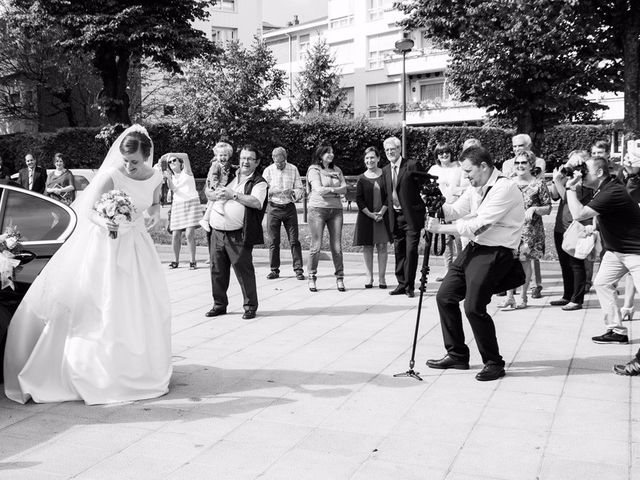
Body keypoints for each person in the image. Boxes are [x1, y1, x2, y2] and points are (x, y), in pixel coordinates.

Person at [4, 125, 171, 404]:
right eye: (126, 161)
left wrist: (155, 211)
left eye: (135, 162)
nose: (129, 167)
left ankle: (137, 368)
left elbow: (154, 204)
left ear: (147, 156)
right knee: (105, 306)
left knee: (141, 306)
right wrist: (110, 220)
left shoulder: (156, 177)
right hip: (107, 247)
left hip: (139, 249)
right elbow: (90, 213)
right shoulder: (111, 176)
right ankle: (96, 371)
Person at [425, 146, 525, 381]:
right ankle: (457, 354)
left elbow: (478, 225)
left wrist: (440, 228)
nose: (466, 176)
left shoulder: (505, 188)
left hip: (496, 252)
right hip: (475, 248)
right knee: (445, 296)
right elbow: (456, 211)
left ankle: (494, 362)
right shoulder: (475, 187)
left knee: (473, 307)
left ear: (484, 166)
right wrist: (436, 203)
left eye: (469, 171)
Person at [565, 155, 640, 349]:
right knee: (602, 283)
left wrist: (570, 188)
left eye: (585, 171)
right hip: (616, 251)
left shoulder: (612, 190)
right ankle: (616, 331)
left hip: (636, 252)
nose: (581, 174)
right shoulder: (603, 188)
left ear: (599, 173)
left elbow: (579, 214)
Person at [205, 144, 267, 320]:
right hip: (216, 232)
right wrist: (211, 194)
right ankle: (219, 305)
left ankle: (249, 306)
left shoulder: (259, 182)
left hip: (238, 234)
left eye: (250, 159)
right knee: (217, 270)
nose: (245, 162)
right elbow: (209, 189)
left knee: (243, 270)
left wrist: (233, 195)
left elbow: (256, 202)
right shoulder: (227, 172)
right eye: (243, 158)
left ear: (257, 162)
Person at [500, 150, 551, 310]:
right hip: (509, 228)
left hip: (530, 229)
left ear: (531, 165)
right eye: (517, 163)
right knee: (508, 261)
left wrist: (535, 209)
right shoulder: (508, 182)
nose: (520, 166)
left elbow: (548, 207)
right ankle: (509, 297)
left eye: (524, 163)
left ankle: (523, 297)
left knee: (524, 261)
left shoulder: (538, 183)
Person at [548, 150, 593, 311]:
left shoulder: (585, 183)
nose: (571, 167)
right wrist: (558, 178)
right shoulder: (567, 177)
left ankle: (577, 299)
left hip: (576, 227)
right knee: (564, 264)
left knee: (576, 263)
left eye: (575, 164)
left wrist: (561, 182)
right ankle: (567, 295)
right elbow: (554, 196)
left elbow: (568, 198)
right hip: (561, 226)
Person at [382, 136, 426, 298]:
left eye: (392, 149)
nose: (389, 152)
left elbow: (424, 187)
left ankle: (410, 286)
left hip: (412, 217)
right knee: (399, 251)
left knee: (411, 251)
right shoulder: (386, 170)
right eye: (386, 150)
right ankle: (401, 283)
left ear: (399, 149)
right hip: (395, 217)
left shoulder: (412, 165)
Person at [306, 142, 347, 292]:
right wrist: (335, 191)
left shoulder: (337, 170)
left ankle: (340, 278)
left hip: (336, 211)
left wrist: (330, 190)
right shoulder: (314, 169)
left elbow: (345, 189)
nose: (331, 154)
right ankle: (311, 276)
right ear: (320, 155)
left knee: (337, 247)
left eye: (332, 152)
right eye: (327, 152)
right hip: (317, 209)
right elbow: (318, 190)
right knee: (316, 246)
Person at [263, 146, 305, 280]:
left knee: (294, 240)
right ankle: (274, 270)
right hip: (273, 208)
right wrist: (272, 192)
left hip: (289, 208)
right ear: (273, 159)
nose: (280, 165)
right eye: (277, 162)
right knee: (273, 241)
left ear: (285, 159)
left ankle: (298, 269)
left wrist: (293, 192)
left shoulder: (293, 169)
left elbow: (299, 188)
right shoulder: (268, 171)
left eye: (282, 162)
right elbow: (262, 189)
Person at [353, 146, 392, 288]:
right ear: (364, 160)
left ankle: (382, 278)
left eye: (372, 157)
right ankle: (369, 277)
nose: (370, 160)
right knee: (368, 247)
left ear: (378, 158)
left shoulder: (385, 175)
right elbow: (359, 199)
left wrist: (382, 212)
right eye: (367, 158)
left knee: (382, 246)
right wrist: (370, 214)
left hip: (383, 216)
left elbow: (389, 195)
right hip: (366, 217)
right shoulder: (361, 178)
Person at [427, 142, 466, 281]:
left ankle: (463, 270)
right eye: (440, 153)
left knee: (460, 240)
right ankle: (448, 271)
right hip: (441, 209)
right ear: (437, 155)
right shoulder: (433, 169)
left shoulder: (458, 168)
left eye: (446, 152)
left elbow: (464, 186)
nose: (444, 155)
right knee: (446, 240)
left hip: (457, 207)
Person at [162, 153, 201, 270]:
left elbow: (185, 155)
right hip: (178, 205)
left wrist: (170, 154)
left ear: (180, 163)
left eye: (174, 160)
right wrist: (168, 177)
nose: (172, 163)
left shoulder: (187, 172)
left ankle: (192, 261)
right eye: (170, 162)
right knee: (175, 235)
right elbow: (173, 188)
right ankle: (175, 261)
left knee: (189, 234)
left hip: (191, 203)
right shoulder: (171, 177)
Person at [616, 150, 640, 321]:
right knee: (632, 270)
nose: (630, 161)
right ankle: (627, 306)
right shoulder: (625, 174)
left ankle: (627, 306)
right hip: (629, 229)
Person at [199, 142, 234, 232]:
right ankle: (218, 206)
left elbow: (230, 169)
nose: (223, 157)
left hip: (220, 186)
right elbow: (213, 177)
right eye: (221, 155)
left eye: (225, 155)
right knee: (218, 198)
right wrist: (216, 186)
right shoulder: (215, 165)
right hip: (215, 186)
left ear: (229, 156)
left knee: (211, 203)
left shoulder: (227, 166)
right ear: (216, 156)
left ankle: (205, 220)